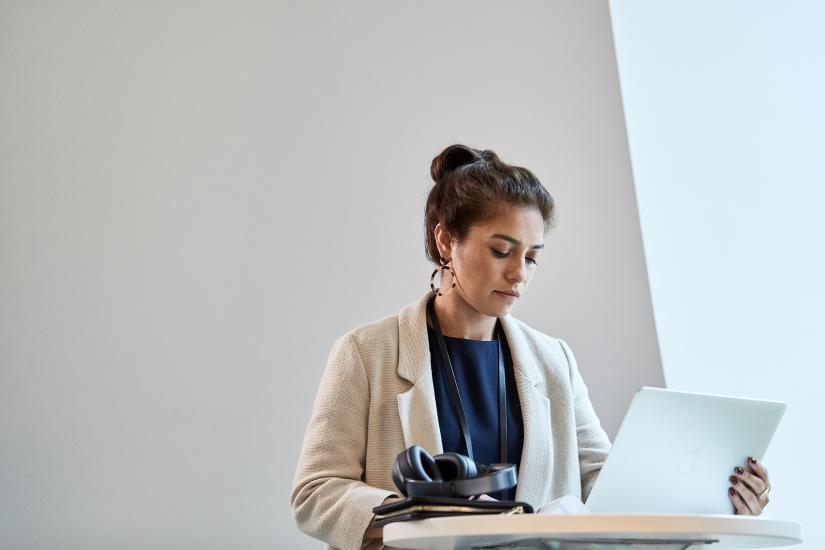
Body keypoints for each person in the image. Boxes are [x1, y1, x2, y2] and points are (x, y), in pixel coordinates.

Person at [290, 144, 772, 550]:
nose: (519, 272)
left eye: (533, 257)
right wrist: (422, 517)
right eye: (502, 251)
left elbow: (600, 484)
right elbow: (316, 493)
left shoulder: (553, 360)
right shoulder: (365, 353)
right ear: (445, 242)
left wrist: (711, 499)